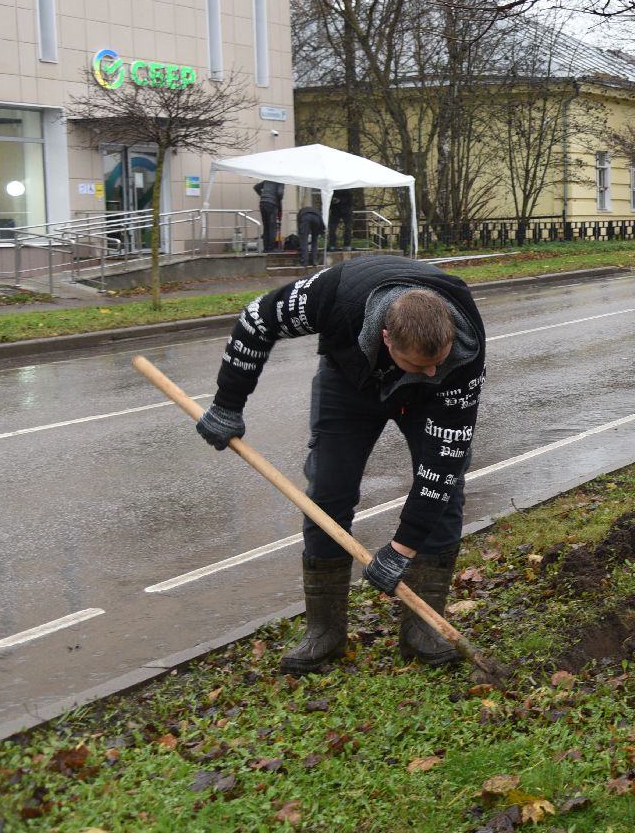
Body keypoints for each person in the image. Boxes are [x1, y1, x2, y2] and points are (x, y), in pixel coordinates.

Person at [194, 256, 487, 674]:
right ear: (387, 337)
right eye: (421, 365)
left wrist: (401, 548)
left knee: (446, 489)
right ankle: (324, 633)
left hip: (431, 402)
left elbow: (443, 466)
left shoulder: (461, 353)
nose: (432, 369)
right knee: (328, 491)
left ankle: (423, 630)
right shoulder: (333, 295)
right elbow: (257, 319)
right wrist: (227, 404)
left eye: (437, 360)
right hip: (349, 383)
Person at [255, 180, 284, 252]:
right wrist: (278, 199)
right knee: (272, 227)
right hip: (271, 204)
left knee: (266, 227)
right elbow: (280, 193)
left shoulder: (267, 180)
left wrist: (262, 195)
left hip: (262, 203)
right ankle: (271, 248)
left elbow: (256, 187)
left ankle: (266, 248)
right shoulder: (280, 181)